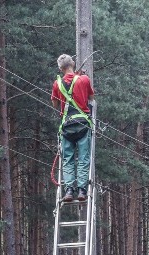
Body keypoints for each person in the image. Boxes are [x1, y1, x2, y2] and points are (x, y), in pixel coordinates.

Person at [51, 53, 95, 203]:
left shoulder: (57, 84)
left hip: (67, 127)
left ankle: (69, 190)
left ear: (60, 68)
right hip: (83, 125)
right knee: (83, 159)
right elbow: (91, 98)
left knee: (68, 160)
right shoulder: (84, 80)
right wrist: (79, 80)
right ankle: (82, 190)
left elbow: (55, 105)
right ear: (73, 64)